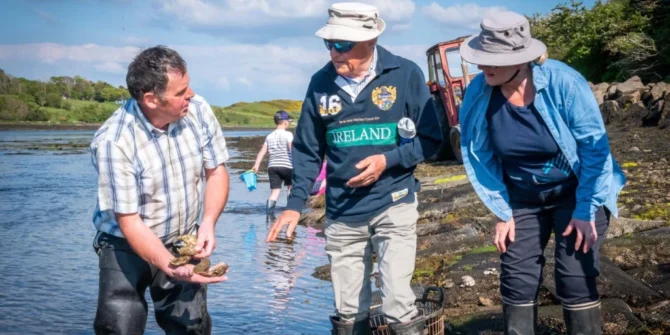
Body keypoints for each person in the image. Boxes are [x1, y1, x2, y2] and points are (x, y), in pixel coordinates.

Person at [266, 3, 442, 334]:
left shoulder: (404, 74)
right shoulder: (319, 83)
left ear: (371, 40)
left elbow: (432, 139)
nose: (334, 51)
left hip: (395, 202)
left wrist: (388, 161)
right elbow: (307, 150)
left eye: (343, 44)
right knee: (347, 311)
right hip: (342, 212)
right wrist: (294, 206)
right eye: (329, 43)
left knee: (397, 304)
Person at [458, 12, 626, 335]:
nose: (482, 66)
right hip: (522, 197)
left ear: (521, 60)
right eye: (481, 58)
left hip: (579, 190)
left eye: (491, 59)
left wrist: (586, 209)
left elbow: (595, 149)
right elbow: (482, 157)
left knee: (574, 274)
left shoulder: (564, 84)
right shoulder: (478, 94)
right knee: (516, 278)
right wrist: (502, 211)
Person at [89, 45, 230, 334]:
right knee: (119, 327)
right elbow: (128, 220)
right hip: (124, 245)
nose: (190, 95)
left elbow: (216, 171)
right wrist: (168, 265)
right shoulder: (114, 142)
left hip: (183, 238)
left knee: (191, 328)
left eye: (188, 87)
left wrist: (208, 223)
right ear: (151, 99)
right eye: (180, 93)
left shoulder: (198, 110)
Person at [252, 110, 294, 219]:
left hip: (273, 167)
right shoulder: (288, 134)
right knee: (290, 188)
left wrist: (256, 165)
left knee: (275, 192)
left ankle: (269, 216)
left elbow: (262, 152)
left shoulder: (269, 136)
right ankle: (289, 211)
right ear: (285, 122)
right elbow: (291, 148)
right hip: (287, 166)